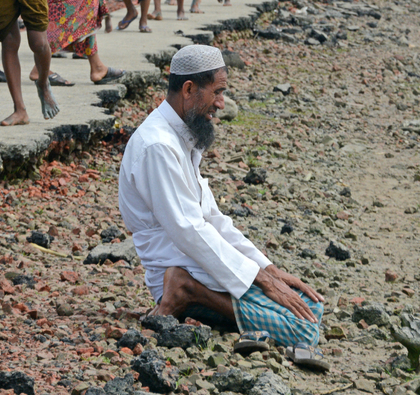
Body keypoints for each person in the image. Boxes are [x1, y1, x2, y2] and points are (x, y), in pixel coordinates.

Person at [118, 44, 327, 360]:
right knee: (303, 329)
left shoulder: (180, 137)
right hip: (181, 264)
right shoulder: (158, 146)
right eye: (217, 92)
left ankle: (195, 289)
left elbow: (212, 219)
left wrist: (268, 269)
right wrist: (260, 280)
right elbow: (188, 230)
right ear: (189, 89)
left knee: (312, 305)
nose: (221, 103)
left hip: (205, 262)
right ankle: (184, 291)